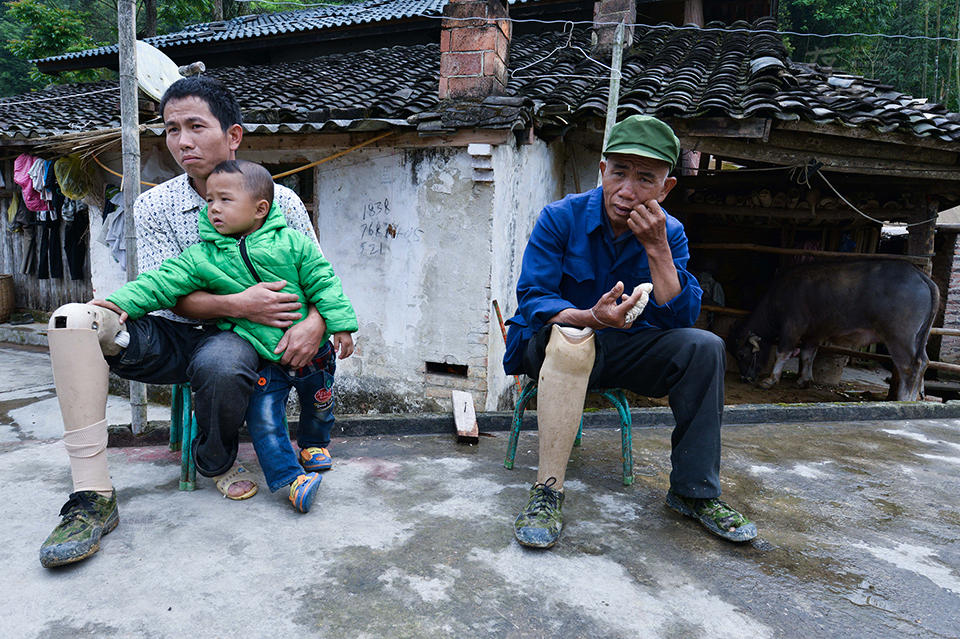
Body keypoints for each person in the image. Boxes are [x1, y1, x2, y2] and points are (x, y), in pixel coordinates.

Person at [39, 77, 330, 568]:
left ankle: (213, 458)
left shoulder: (280, 202)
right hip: (178, 331)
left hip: (255, 338)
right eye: (172, 129)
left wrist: (316, 325)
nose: (182, 141)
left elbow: (320, 276)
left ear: (233, 135)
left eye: (196, 126)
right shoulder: (155, 204)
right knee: (71, 322)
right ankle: (91, 497)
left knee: (224, 360)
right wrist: (241, 304)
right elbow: (168, 294)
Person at [503, 115, 757, 549]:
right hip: (551, 348)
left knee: (705, 348)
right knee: (569, 340)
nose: (627, 190)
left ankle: (693, 493)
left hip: (623, 352)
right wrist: (590, 318)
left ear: (666, 188)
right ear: (602, 171)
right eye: (619, 172)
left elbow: (680, 317)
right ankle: (548, 490)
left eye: (645, 178)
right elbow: (533, 299)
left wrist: (657, 248)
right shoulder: (560, 218)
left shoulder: (669, 233)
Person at [95, 159, 357, 513]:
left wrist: (337, 323)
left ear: (260, 209)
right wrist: (119, 301)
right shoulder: (203, 256)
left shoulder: (293, 244)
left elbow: (324, 282)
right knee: (264, 418)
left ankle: (315, 444)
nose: (213, 208)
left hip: (315, 354)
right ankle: (292, 480)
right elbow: (160, 282)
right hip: (267, 358)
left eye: (225, 200)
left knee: (320, 404)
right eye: (209, 201)